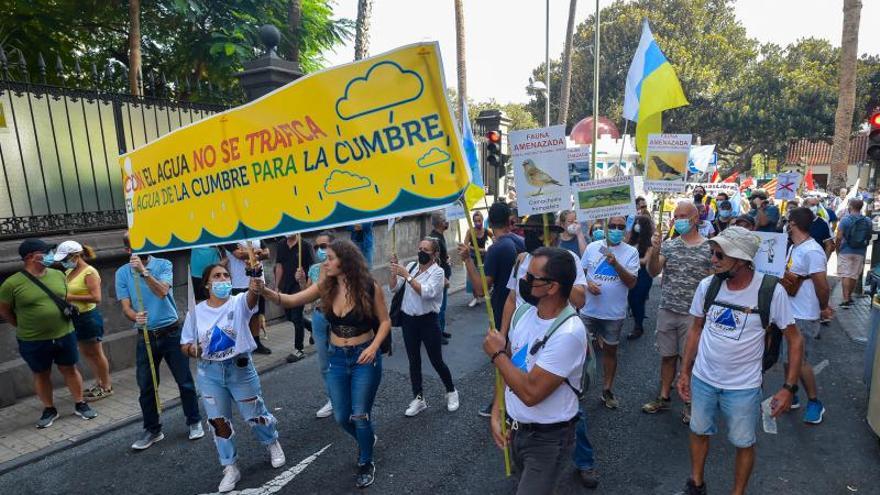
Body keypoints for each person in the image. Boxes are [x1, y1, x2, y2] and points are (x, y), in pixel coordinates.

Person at [678, 226, 804, 495]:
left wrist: (788, 387)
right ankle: (696, 484)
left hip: (743, 387)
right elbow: (696, 329)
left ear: (742, 260)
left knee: (743, 442)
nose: (713, 259)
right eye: (712, 253)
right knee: (698, 431)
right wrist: (685, 372)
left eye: (720, 255)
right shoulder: (707, 286)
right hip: (703, 379)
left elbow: (795, 339)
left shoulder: (771, 291)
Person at [263, 239, 390, 489]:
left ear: (346, 260)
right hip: (338, 359)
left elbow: (385, 322)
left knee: (360, 414)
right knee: (343, 417)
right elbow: (292, 300)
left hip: (364, 355)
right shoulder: (326, 286)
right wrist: (267, 292)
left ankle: (366, 460)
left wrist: (374, 348)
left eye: (330, 257)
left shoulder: (369, 286)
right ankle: (366, 439)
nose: (325, 261)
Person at [496, 213, 592, 487]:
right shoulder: (525, 313)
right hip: (517, 429)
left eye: (532, 278)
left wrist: (495, 354)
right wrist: (498, 411)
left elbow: (530, 393)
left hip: (550, 436)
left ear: (551, 286)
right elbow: (512, 363)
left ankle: (585, 462)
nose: (524, 280)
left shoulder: (569, 333)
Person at [180, 264, 285, 492]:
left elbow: (252, 295)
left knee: (255, 414)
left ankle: (272, 443)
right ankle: (230, 467)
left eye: (226, 275)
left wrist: (256, 279)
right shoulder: (195, 312)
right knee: (219, 423)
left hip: (240, 369)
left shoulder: (238, 302)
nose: (223, 279)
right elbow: (185, 343)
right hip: (209, 373)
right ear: (207, 284)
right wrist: (191, 350)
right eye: (217, 276)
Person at [116, 233, 202, 450]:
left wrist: (144, 273)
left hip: (172, 332)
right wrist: (134, 316)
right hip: (146, 335)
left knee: (184, 381)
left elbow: (163, 291)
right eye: (136, 246)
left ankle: (194, 421)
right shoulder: (122, 274)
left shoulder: (164, 264)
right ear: (128, 250)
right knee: (146, 385)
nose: (143, 249)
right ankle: (153, 430)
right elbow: (125, 306)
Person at [0, 239, 98, 428]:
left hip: (65, 333)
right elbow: (4, 311)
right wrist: (22, 325)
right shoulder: (11, 284)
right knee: (41, 373)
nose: (50, 255)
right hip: (33, 339)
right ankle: (49, 409)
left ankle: (80, 403)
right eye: (45, 252)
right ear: (31, 257)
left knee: (70, 368)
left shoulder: (58, 274)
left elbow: (63, 298)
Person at [643, 202, 712, 422]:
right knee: (667, 356)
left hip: (694, 315)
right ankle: (664, 397)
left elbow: (714, 283)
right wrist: (655, 251)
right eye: (676, 215)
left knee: (689, 360)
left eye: (683, 215)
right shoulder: (670, 246)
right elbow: (654, 271)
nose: (679, 219)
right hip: (668, 309)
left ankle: (690, 402)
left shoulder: (709, 247)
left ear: (695, 219)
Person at [457, 201, 524, 418]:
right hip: (524, 310)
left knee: (501, 357)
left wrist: (467, 260)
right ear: (510, 221)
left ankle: (501, 405)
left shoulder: (498, 248)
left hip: (502, 311)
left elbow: (479, 289)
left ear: (489, 222)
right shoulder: (521, 242)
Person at [389, 238, 459, 417]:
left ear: (435, 254)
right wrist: (394, 271)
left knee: (436, 360)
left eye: (426, 250)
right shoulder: (411, 266)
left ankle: (451, 391)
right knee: (414, 361)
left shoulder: (438, 272)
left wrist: (406, 275)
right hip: (408, 321)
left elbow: (427, 293)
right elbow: (394, 288)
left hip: (428, 321)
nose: (421, 251)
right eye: (419, 248)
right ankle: (419, 398)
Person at [580, 216, 639, 409]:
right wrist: (588, 283)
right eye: (612, 226)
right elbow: (580, 273)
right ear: (605, 226)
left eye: (620, 227)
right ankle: (576, 387)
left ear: (625, 229)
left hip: (613, 314)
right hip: (588, 310)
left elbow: (631, 282)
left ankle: (607, 389)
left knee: (610, 351)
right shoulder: (592, 247)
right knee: (578, 350)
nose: (616, 229)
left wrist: (615, 265)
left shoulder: (631, 252)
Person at [783, 207, 833, 424]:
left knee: (800, 361)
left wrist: (823, 307)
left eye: (788, 221)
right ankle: (791, 394)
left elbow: (822, 285)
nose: (786, 225)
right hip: (789, 311)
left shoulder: (812, 251)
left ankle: (815, 403)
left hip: (805, 313)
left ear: (793, 224)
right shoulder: (795, 247)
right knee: (787, 359)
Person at [54, 241, 113, 401]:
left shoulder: (89, 272)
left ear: (75, 256)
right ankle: (99, 382)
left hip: (88, 317)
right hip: (74, 318)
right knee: (87, 353)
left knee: (96, 353)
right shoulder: (68, 272)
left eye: (65, 258)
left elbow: (96, 297)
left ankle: (107, 386)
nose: (62, 262)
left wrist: (70, 297)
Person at [296, 231, 335, 418]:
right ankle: (333, 399)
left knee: (341, 359)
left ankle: (347, 397)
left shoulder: (340, 267)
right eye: (317, 247)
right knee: (324, 363)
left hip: (337, 318)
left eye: (324, 246)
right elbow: (308, 294)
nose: (320, 250)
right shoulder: (313, 268)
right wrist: (302, 281)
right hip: (318, 317)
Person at [225, 240, 271, 354]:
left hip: (257, 280)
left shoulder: (256, 235)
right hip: (238, 283)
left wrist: (248, 251)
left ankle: (256, 342)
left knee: (255, 314)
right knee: (239, 316)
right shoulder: (231, 236)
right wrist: (258, 252)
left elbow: (268, 253)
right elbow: (239, 255)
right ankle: (241, 343)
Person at [274, 234, 315, 362]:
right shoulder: (281, 245)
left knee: (297, 317)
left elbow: (312, 268)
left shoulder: (306, 246)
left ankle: (299, 349)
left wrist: (307, 285)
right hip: (286, 285)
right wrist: (276, 286)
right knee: (290, 317)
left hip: (299, 285)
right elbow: (279, 266)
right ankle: (313, 328)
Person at [836, 198, 871, 308]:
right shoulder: (867, 220)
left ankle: (845, 299)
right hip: (860, 251)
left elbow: (839, 236)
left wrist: (837, 248)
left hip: (846, 250)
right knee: (854, 275)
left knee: (846, 274)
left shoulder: (845, 219)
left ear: (850, 206)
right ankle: (849, 297)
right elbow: (869, 237)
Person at [626, 215, 655, 340]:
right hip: (631, 273)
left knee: (638, 300)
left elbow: (645, 261)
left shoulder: (649, 242)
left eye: (640, 223)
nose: (637, 225)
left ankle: (638, 327)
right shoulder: (631, 240)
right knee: (631, 299)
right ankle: (637, 317)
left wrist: (631, 259)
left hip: (643, 274)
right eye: (635, 223)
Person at [426, 211, 453, 344]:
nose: (447, 222)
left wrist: (447, 258)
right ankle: (436, 335)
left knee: (442, 307)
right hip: (439, 279)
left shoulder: (439, 236)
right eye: (445, 220)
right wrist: (443, 278)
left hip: (443, 276)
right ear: (440, 223)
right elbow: (434, 260)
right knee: (439, 307)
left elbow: (441, 256)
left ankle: (440, 330)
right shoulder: (434, 239)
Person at [464, 210, 493, 307]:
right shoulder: (470, 231)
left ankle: (486, 293)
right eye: (475, 221)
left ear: (482, 220)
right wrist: (478, 249)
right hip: (473, 257)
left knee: (485, 277)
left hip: (484, 257)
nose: (477, 223)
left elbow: (496, 238)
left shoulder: (486, 231)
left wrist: (492, 247)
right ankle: (476, 298)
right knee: (472, 278)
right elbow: (465, 245)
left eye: (479, 221)